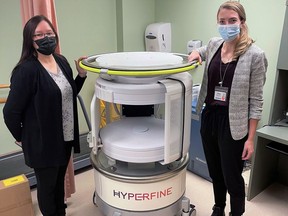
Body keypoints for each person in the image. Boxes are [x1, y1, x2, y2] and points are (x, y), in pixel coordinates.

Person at [188, 1, 267, 216]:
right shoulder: (215, 43)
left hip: (234, 124)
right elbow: (204, 50)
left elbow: (256, 101)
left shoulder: (255, 55)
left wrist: (250, 139)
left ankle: (236, 213)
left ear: (242, 22)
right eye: (222, 22)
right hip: (210, 116)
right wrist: (196, 53)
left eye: (232, 20)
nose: (227, 25)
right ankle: (219, 207)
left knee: (232, 175)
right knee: (215, 170)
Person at [3, 15, 87, 216]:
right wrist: (22, 137)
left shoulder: (61, 60)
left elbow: (69, 94)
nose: (45, 38)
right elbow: (10, 112)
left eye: (49, 33)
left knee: (58, 184)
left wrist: (81, 75)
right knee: (48, 189)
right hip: (42, 143)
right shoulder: (26, 70)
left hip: (64, 137)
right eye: (39, 34)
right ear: (30, 40)